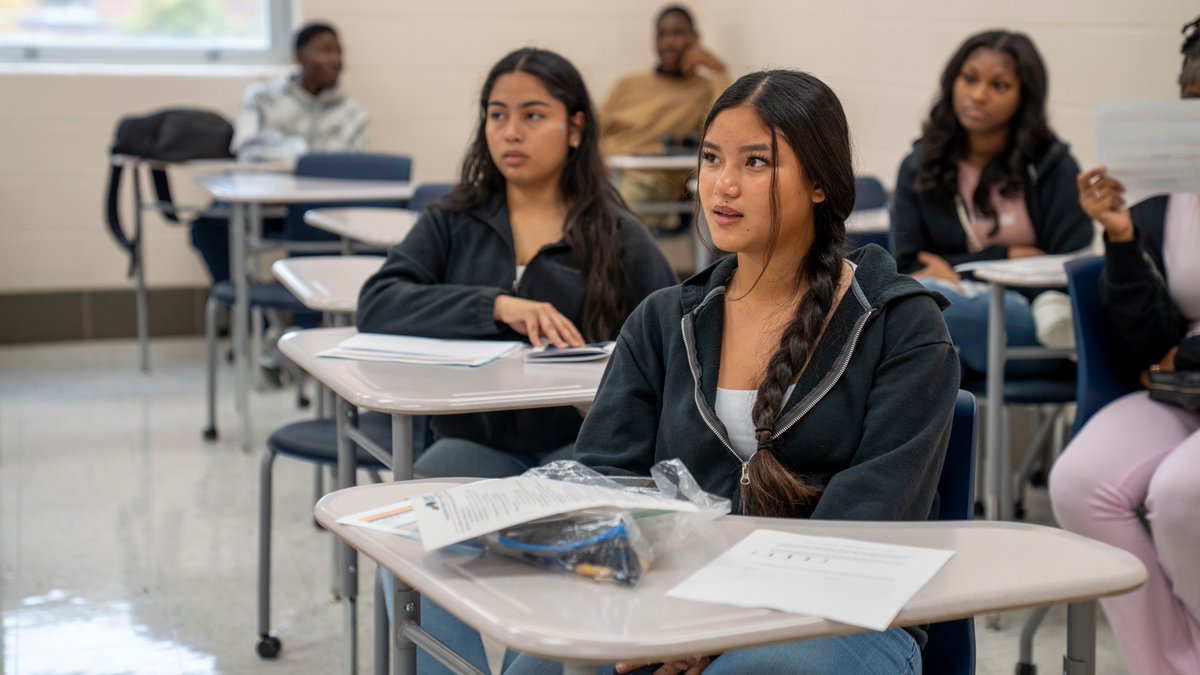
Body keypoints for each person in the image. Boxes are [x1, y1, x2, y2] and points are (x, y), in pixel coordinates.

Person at [427, 69, 959, 675]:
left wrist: (718, 626)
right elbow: (605, 484)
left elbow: (867, 523)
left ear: (819, 183)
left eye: (756, 162)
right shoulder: (664, 320)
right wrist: (664, 616)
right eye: (710, 158)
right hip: (672, 604)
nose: (722, 184)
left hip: (839, 619)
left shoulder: (899, 324)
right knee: (538, 666)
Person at [356, 48, 677, 481]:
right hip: (472, 441)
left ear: (575, 128)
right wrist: (496, 306)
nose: (511, 133)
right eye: (497, 115)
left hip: (583, 442)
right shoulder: (451, 220)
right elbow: (378, 303)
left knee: (577, 514)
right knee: (427, 508)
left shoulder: (618, 233)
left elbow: (673, 342)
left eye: (533, 116)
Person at [1049, 17, 1200, 675]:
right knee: (1079, 481)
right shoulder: (1166, 198)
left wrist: (1182, 359)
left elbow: (1173, 354)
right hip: (1181, 387)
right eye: (1194, 96)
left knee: (1182, 492)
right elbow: (1149, 340)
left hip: (1185, 370)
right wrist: (1120, 235)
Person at [891, 30, 1093, 378]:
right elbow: (908, 265)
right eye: (969, 79)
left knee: (928, 299)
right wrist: (1006, 257)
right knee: (917, 297)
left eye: (999, 86)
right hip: (944, 317)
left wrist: (953, 269)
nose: (978, 95)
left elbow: (1067, 266)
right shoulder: (920, 166)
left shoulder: (1052, 166)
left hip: (1038, 325)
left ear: (1024, 97)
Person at [189, 21, 368, 284]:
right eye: (325, 51)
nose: (335, 60)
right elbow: (247, 147)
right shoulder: (261, 97)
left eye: (339, 52)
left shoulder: (353, 114)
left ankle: (306, 303)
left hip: (320, 210)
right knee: (207, 227)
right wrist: (305, 156)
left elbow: (348, 167)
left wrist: (286, 153)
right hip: (262, 204)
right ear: (299, 56)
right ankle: (244, 301)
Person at [599, 5, 730, 227]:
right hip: (607, 171)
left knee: (610, 217)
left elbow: (722, 128)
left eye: (677, 34)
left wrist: (719, 70)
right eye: (661, 35)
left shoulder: (704, 89)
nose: (668, 42)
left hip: (650, 181)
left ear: (694, 39)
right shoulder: (627, 84)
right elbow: (593, 129)